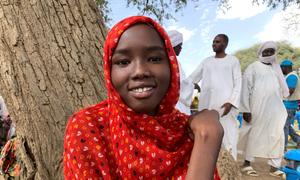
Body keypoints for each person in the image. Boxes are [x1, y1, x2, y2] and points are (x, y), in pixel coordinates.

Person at [63, 16, 223, 179]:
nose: (140, 71)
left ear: (172, 67)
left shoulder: (187, 131)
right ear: (109, 71)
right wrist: (208, 140)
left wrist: (205, 134)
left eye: (154, 59)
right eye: (124, 62)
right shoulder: (88, 129)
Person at [188, 34, 242, 160]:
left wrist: (231, 102)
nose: (214, 44)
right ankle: (210, 165)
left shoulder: (233, 60)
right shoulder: (207, 61)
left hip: (226, 107)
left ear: (225, 44)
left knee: (228, 135)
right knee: (208, 134)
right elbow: (192, 79)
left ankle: (230, 168)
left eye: (217, 41)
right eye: (213, 42)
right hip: (207, 106)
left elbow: (238, 82)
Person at [239, 41, 287, 177]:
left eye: (271, 51)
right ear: (260, 52)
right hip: (257, 108)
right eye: (266, 51)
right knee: (253, 133)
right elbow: (245, 89)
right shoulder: (253, 67)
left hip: (275, 109)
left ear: (274, 53)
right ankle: (247, 164)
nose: (268, 54)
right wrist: (245, 109)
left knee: (276, 134)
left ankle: (274, 167)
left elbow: (281, 90)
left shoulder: (276, 69)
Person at [167, 30, 194, 115]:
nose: (181, 48)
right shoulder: (173, 61)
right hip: (176, 105)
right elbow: (180, 84)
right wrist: (193, 85)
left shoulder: (164, 59)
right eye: (180, 45)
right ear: (174, 45)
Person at [280, 59, 300, 149]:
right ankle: (298, 140)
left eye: (281, 68)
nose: (281, 70)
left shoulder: (292, 76)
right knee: (287, 125)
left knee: (284, 126)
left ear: (285, 68)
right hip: (289, 105)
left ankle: (283, 146)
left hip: (289, 105)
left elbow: (290, 91)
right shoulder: (290, 75)